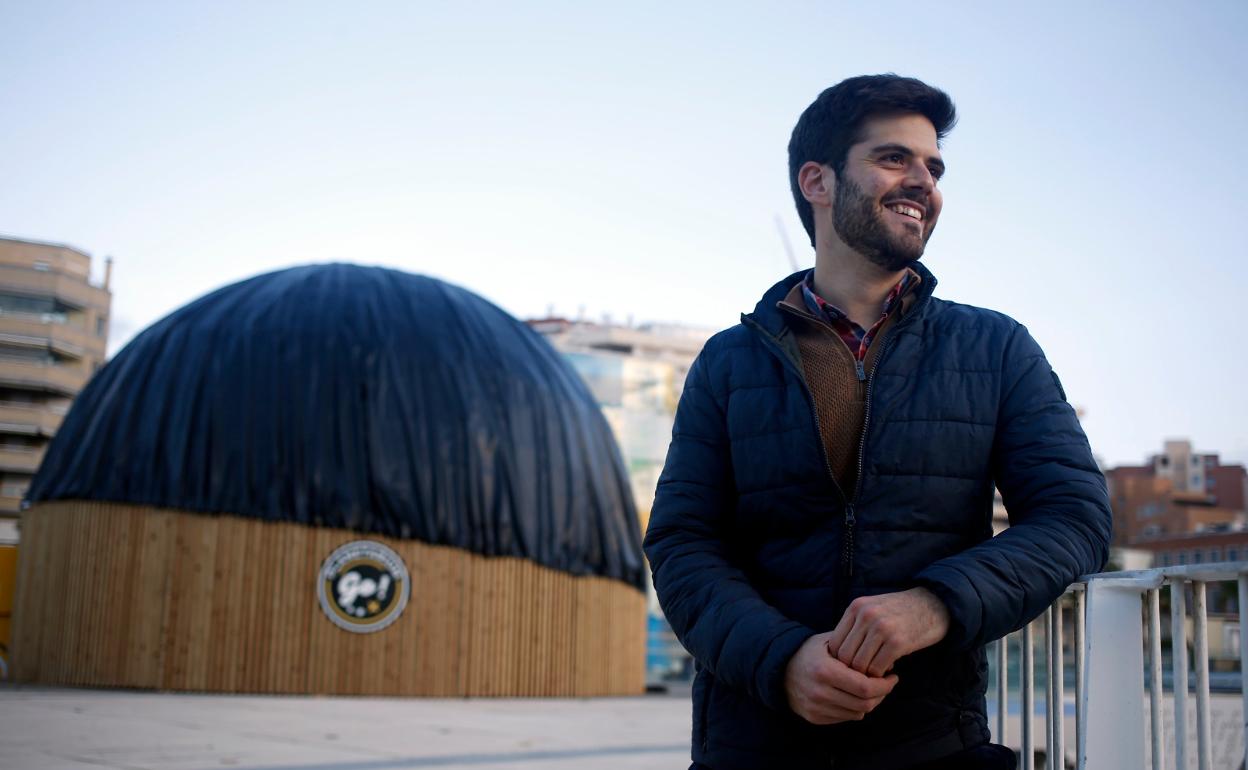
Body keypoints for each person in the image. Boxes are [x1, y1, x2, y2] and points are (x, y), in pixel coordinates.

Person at [643, 74, 1112, 770]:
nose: (924, 181)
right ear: (818, 181)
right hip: (754, 746)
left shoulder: (997, 348)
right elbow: (683, 544)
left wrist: (935, 604)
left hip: (934, 744)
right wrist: (782, 661)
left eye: (934, 167)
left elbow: (1076, 518)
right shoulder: (728, 362)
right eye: (895, 159)